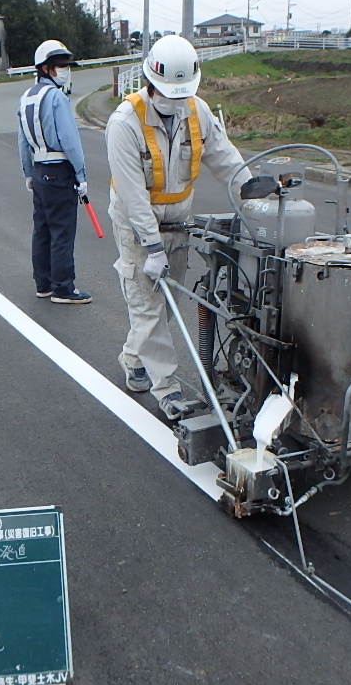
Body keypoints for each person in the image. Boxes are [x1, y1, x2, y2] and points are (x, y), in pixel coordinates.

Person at [105, 34, 251, 419]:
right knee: (148, 305)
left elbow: (226, 160)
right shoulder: (124, 123)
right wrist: (151, 247)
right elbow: (133, 196)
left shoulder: (197, 111)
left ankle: (133, 360)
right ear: (150, 83)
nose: (174, 101)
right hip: (139, 228)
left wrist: (255, 198)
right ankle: (167, 389)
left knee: (164, 307)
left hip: (179, 224)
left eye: (181, 93)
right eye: (168, 93)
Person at [18, 40, 91, 304]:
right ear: (46, 68)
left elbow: (22, 140)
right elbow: (71, 140)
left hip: (39, 170)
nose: (65, 70)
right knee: (62, 231)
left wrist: (28, 172)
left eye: (67, 66)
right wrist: (81, 175)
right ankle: (63, 288)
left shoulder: (26, 98)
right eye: (60, 65)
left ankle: (44, 283)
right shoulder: (57, 98)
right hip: (60, 171)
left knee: (43, 229)